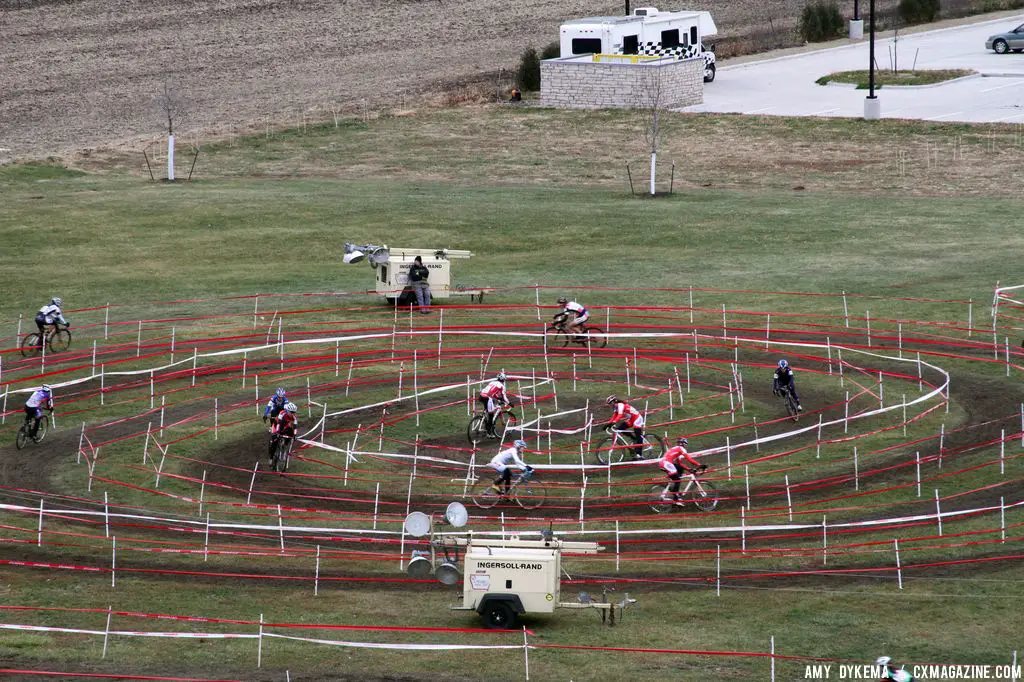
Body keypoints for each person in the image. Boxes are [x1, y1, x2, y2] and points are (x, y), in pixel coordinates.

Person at [658, 438, 706, 505]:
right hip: (666, 463)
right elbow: (689, 458)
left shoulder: (676, 449)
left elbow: (680, 464)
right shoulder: (681, 448)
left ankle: (675, 491)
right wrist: (699, 464)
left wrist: (688, 469)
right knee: (677, 480)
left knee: (679, 470)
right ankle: (676, 499)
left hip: (664, 463)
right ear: (684, 444)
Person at [603, 395, 646, 459]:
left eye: (610, 403)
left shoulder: (620, 405)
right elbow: (614, 416)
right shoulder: (615, 407)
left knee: (638, 435)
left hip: (637, 418)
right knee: (620, 428)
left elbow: (619, 415)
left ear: (614, 402)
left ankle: (639, 454)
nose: (610, 405)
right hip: (631, 419)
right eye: (609, 404)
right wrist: (608, 424)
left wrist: (613, 423)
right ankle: (634, 439)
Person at [479, 372, 514, 438]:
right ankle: (489, 433)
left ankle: (484, 421)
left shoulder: (492, 382)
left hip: (481, 396)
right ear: (503, 379)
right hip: (487, 398)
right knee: (491, 415)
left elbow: (492, 392)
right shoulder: (501, 386)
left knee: (489, 408)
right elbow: (504, 397)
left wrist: (498, 398)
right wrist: (509, 403)